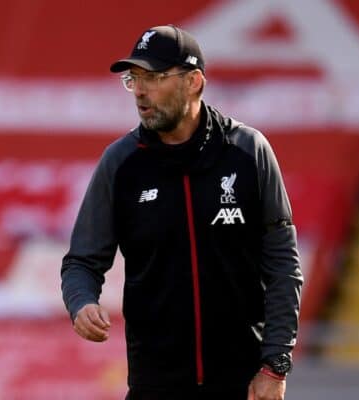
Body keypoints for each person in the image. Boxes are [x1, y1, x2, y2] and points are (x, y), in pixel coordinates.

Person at [61, 25, 303, 400]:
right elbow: (81, 261)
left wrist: (275, 364)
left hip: (244, 383)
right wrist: (82, 303)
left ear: (194, 81)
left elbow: (283, 264)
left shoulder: (247, 151)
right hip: (154, 384)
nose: (139, 91)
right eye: (133, 78)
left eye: (153, 78)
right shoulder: (121, 162)